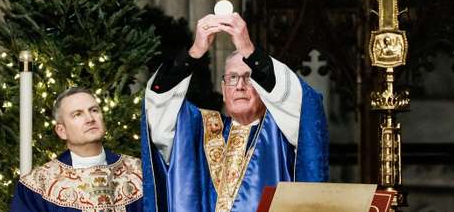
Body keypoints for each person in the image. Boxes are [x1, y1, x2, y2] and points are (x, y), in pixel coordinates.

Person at [141, 13, 329, 212]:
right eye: (232, 78)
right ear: (223, 91)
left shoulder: (282, 133)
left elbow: (307, 109)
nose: (239, 86)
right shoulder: (198, 131)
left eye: (248, 78)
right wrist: (195, 51)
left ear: (265, 89)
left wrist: (249, 49)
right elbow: (158, 106)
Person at [10, 87, 143, 211]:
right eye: (78, 114)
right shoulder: (38, 185)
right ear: (62, 131)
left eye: (94, 110)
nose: (90, 119)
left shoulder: (139, 172)